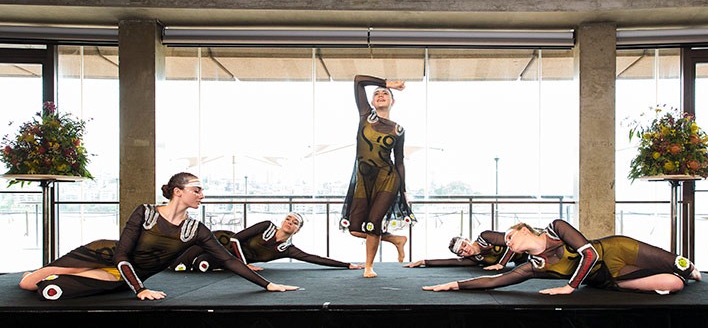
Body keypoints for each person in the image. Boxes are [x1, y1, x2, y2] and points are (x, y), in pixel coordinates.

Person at [18, 172, 299, 301]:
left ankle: (56, 278)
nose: (202, 195)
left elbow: (228, 261)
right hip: (105, 255)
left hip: (126, 275)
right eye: (196, 190)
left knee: (54, 288)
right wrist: (140, 290)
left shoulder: (196, 230)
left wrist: (267, 284)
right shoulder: (145, 213)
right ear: (178, 191)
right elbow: (121, 254)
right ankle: (48, 272)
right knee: (29, 284)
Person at [422, 219, 701, 295]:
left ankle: (687, 268)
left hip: (615, 249)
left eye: (510, 236)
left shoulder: (556, 228)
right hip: (606, 278)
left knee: (682, 266)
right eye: (506, 241)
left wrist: (570, 286)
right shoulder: (533, 267)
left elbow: (589, 254)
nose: (507, 241)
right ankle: (675, 278)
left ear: (523, 229)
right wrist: (455, 285)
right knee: (674, 285)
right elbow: (497, 281)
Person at [339, 74, 417, 278]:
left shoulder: (398, 130)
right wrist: (386, 83)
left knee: (373, 223)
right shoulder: (365, 115)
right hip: (364, 181)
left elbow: (399, 161)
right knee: (355, 228)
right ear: (372, 101)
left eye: (385, 94)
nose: (381, 94)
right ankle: (395, 239)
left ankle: (368, 266)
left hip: (388, 178)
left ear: (393, 101)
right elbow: (357, 80)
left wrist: (404, 190)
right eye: (377, 93)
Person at [171, 212, 364, 272]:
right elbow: (235, 239)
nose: (290, 223)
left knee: (202, 266)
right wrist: (244, 265)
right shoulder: (266, 225)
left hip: (227, 260)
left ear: (298, 230)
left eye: (295, 223)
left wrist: (347, 265)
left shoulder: (286, 249)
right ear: (283, 221)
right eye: (288, 219)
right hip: (221, 242)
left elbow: (313, 258)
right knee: (179, 261)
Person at [404, 230, 528, 271]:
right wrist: (424, 261)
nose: (465, 250)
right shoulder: (474, 259)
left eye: (464, 245)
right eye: (461, 252)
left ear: (468, 240)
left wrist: (501, 264)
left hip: (531, 246)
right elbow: (450, 262)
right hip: (524, 260)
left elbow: (514, 242)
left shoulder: (485, 237)